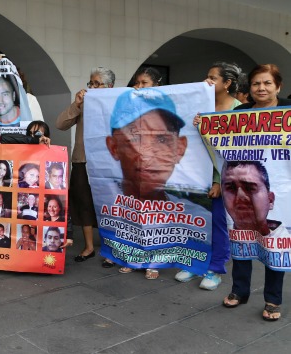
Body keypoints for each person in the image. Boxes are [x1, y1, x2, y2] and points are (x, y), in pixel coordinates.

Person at [221, 64, 291, 321]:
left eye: (267, 83)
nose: (261, 88)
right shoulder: (238, 113)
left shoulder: (288, 112)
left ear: (278, 86)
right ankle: (240, 290)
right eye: (256, 84)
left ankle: (273, 299)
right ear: (249, 88)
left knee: (274, 246)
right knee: (241, 239)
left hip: (280, 188)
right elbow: (219, 142)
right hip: (241, 179)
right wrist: (202, 125)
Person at [106, 88, 191, 279]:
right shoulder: (108, 201)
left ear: (180, 148)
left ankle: (155, 261)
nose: (146, 154)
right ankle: (129, 257)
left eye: (161, 139)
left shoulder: (193, 214)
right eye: (134, 139)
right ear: (113, 147)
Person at [177, 61, 242, 290]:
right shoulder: (203, 105)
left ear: (227, 83)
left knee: (217, 224)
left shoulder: (237, 110)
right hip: (197, 175)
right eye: (207, 76)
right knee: (195, 220)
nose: (207, 81)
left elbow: (230, 152)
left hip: (223, 178)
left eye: (213, 78)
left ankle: (215, 268)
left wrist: (218, 182)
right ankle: (195, 264)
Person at [57, 67, 114, 266]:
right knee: (83, 203)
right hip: (82, 160)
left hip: (108, 164)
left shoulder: (117, 104)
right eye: (91, 83)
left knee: (109, 206)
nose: (92, 87)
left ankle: (111, 249)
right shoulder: (84, 104)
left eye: (97, 83)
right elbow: (60, 124)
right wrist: (76, 104)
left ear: (110, 87)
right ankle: (89, 247)